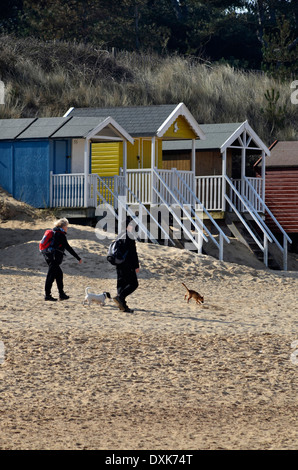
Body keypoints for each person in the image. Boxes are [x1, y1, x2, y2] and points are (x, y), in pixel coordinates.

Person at [43, 218, 82, 301]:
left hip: (49, 256)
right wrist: (78, 258)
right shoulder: (60, 234)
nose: (67, 228)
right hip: (54, 258)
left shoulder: (54, 232)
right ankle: (47, 295)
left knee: (59, 275)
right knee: (51, 276)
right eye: (66, 226)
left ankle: (61, 294)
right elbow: (68, 247)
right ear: (63, 226)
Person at [113, 217, 139, 313]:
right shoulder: (129, 236)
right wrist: (136, 265)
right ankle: (120, 297)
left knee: (121, 284)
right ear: (128, 226)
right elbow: (133, 253)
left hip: (118, 263)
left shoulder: (119, 235)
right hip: (127, 264)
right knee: (134, 284)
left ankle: (123, 306)